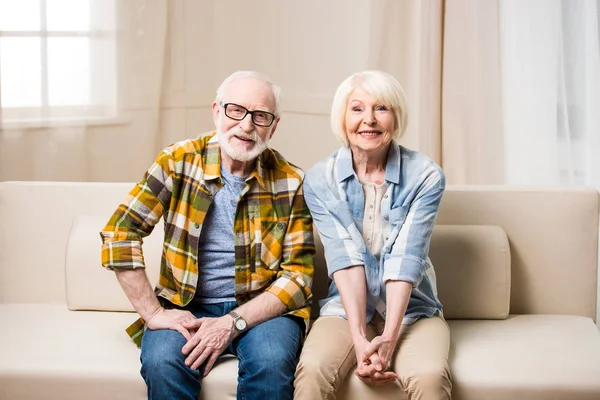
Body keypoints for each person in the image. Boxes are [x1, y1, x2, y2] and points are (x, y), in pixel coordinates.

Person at [100, 71, 315, 400]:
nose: (246, 125)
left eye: (260, 116)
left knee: (272, 364)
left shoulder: (292, 181)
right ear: (216, 110)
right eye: (235, 110)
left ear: (274, 125)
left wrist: (232, 322)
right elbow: (120, 232)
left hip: (261, 309)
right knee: (162, 363)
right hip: (187, 304)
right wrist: (154, 313)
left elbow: (299, 278)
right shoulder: (177, 161)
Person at [294, 70, 452, 400]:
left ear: (396, 117)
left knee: (429, 376)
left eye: (381, 108)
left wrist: (389, 338)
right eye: (357, 109)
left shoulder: (425, 175)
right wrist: (358, 338)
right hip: (346, 307)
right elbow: (345, 258)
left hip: (414, 310)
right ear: (342, 117)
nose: (369, 120)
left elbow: (405, 259)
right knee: (312, 371)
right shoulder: (321, 178)